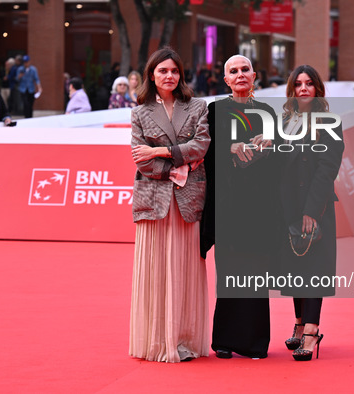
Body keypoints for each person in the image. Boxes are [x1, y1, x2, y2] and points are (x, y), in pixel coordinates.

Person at [129, 47, 210, 363]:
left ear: (181, 75)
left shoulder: (198, 107)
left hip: (188, 200)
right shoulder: (139, 112)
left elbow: (201, 145)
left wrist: (160, 152)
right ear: (152, 74)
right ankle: (156, 342)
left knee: (185, 269)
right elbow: (140, 160)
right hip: (154, 200)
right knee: (156, 270)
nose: (169, 76)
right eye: (163, 71)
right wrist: (180, 163)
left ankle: (184, 340)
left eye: (174, 71)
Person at [201, 54, 280, 360]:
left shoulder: (266, 112)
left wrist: (270, 145)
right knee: (230, 273)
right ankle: (224, 340)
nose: (240, 74)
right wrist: (230, 148)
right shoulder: (215, 110)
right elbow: (205, 153)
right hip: (228, 205)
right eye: (233, 71)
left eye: (245, 69)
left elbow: (279, 160)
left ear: (254, 74)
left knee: (257, 275)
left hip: (259, 206)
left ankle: (256, 343)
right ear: (226, 80)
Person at [278, 65, 344, 361]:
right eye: (298, 84)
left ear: (318, 89)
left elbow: (327, 168)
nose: (303, 89)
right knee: (295, 264)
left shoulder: (329, 122)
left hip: (314, 206)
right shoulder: (285, 121)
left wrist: (311, 211)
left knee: (313, 268)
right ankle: (299, 321)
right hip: (288, 205)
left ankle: (312, 329)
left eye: (309, 84)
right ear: (292, 90)